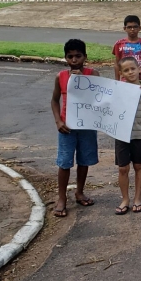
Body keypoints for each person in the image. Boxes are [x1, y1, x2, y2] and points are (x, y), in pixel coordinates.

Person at [50, 39, 99, 218]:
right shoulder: (61, 77)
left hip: (86, 126)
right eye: (70, 56)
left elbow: (99, 98)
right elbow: (55, 100)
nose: (74, 60)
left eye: (78, 56)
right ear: (65, 58)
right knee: (64, 162)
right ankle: (61, 197)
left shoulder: (93, 74)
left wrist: (82, 80)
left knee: (84, 160)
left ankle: (79, 191)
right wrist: (58, 121)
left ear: (85, 57)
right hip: (67, 127)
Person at [115, 57, 141, 214]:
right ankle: (125, 199)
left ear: (139, 69)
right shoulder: (118, 89)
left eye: (133, 68)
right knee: (123, 168)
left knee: (139, 166)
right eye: (126, 70)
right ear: (121, 73)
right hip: (121, 133)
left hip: (140, 134)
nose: (130, 72)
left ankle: (137, 198)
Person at [112, 15, 141, 87]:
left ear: (139, 28)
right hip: (125, 81)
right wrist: (117, 82)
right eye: (129, 27)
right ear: (125, 28)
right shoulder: (119, 44)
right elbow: (117, 64)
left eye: (135, 27)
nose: (132, 29)